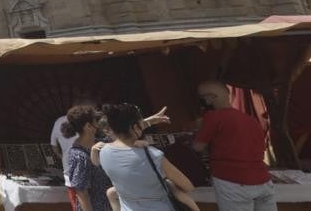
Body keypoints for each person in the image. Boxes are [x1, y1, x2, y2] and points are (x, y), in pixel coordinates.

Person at [192, 81, 274, 211]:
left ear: (210, 98)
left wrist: (198, 130)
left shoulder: (212, 117)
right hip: (262, 180)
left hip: (232, 180)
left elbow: (198, 147)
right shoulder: (251, 120)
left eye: (202, 97)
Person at [98, 104, 197, 211]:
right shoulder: (151, 155)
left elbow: (127, 131)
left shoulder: (103, 151)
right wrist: (170, 185)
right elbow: (187, 186)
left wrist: (149, 122)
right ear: (135, 127)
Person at [61, 105, 113, 211]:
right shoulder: (79, 156)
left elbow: (123, 136)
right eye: (95, 121)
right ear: (88, 126)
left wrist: (149, 122)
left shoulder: (101, 143)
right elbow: (82, 193)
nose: (98, 124)